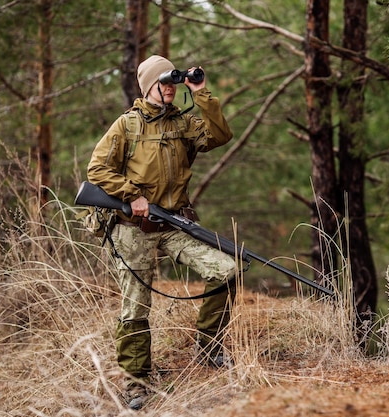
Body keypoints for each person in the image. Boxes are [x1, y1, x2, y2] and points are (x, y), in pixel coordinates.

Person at [87, 55, 237, 410]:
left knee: (227, 269)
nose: (170, 87)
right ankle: (136, 384)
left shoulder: (183, 123)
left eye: (174, 81)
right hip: (133, 228)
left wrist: (201, 93)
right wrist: (132, 195)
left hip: (175, 223)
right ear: (148, 86)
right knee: (135, 306)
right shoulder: (127, 126)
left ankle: (209, 348)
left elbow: (220, 135)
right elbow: (97, 170)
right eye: (164, 82)